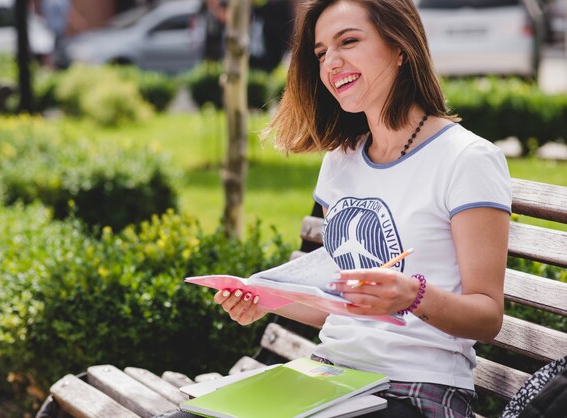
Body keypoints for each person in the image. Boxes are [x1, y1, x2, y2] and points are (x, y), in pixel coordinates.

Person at [214, 0, 513, 417]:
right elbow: (339, 307)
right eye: (320, 53)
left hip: (416, 390)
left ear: (400, 46)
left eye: (348, 41)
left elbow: (487, 316)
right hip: (331, 379)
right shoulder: (341, 160)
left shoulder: (467, 158)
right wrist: (264, 301)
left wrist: (413, 295)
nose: (332, 63)